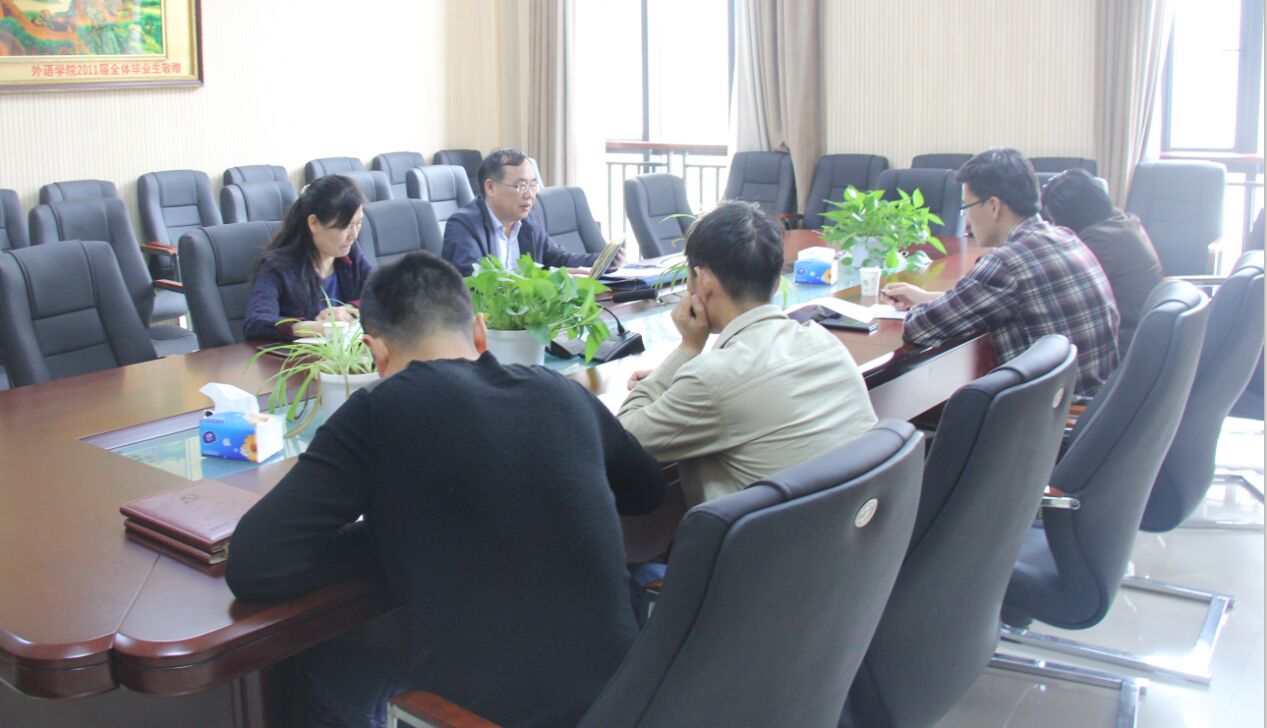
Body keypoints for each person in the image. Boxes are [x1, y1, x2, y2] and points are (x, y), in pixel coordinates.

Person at [226, 251, 665, 728]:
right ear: (480, 331)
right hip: (628, 706)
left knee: (321, 671)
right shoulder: (563, 393)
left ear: (376, 353)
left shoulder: (379, 412)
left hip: (471, 719)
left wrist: (393, 532)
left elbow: (256, 564)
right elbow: (647, 490)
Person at [618, 200, 877, 508]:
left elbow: (621, 443)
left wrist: (688, 349)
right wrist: (679, 382)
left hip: (765, 539)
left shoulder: (712, 379)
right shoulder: (824, 341)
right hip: (850, 531)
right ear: (777, 281)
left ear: (704, 281)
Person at [883, 148, 1120, 398]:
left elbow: (920, 328)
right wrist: (925, 297)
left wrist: (918, 309)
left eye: (967, 208)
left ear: (994, 206)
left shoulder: (1005, 263)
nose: (966, 222)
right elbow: (1004, 299)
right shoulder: (1065, 237)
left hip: (1053, 413)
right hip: (1096, 405)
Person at [1040, 168, 1164, 353]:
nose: (1053, 225)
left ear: (1071, 218)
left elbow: (1057, 286)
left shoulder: (1099, 242)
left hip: (1125, 341)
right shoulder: (1120, 221)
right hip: (1141, 332)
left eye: (1054, 219)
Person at [441, 148, 620, 276]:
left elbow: (559, 259)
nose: (529, 195)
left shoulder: (528, 222)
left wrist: (603, 261)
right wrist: (544, 278)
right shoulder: (463, 226)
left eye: (533, 185)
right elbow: (477, 281)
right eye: (520, 186)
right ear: (490, 187)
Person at [243, 174, 373, 340]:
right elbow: (255, 323)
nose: (354, 235)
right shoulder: (278, 267)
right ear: (314, 223)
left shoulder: (350, 254)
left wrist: (348, 310)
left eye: (358, 224)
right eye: (346, 226)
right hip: (300, 356)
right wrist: (312, 327)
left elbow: (383, 294)